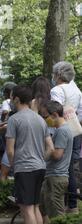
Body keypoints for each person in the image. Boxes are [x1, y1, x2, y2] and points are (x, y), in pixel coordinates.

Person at [6, 85, 54, 224]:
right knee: (35, 209)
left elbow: (10, 150)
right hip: (39, 168)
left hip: (24, 168)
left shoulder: (14, 119)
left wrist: (14, 165)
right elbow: (50, 147)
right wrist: (39, 159)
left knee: (27, 210)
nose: (11, 100)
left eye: (11, 97)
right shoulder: (40, 120)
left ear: (17, 99)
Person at [38, 101, 73, 224]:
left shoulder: (62, 131)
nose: (46, 120)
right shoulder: (62, 130)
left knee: (57, 216)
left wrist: (47, 148)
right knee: (45, 209)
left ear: (54, 115)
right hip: (53, 176)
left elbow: (57, 154)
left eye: (47, 116)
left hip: (57, 177)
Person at [50, 61, 82, 214]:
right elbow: (80, 114)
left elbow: (55, 111)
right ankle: (73, 204)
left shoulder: (57, 89)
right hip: (76, 131)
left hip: (62, 131)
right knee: (72, 167)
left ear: (58, 74)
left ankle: (61, 202)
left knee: (62, 167)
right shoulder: (77, 91)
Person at [0, 83, 16, 176]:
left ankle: (3, 172)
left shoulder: (6, 102)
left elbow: (6, 111)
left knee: (3, 151)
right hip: (7, 127)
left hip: (6, 131)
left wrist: (3, 118)